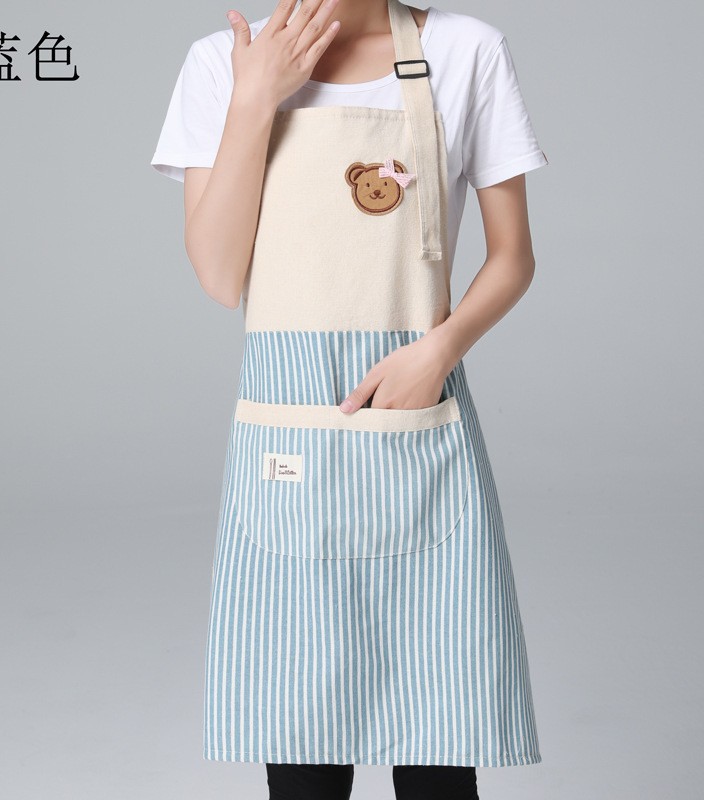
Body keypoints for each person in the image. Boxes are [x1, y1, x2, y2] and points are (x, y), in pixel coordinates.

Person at [151, 2, 549, 798]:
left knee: (441, 746)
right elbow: (221, 275)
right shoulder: (220, 64)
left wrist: (438, 352)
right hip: (290, 441)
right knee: (302, 748)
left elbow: (513, 256)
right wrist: (255, 96)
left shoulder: (464, 50)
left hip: (416, 418)